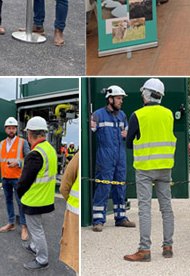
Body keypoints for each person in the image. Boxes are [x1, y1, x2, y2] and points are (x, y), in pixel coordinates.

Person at [124, 78, 177, 262]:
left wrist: (128, 134)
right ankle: (168, 246)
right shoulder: (169, 114)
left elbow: (130, 143)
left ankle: (144, 250)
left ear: (146, 95)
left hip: (145, 168)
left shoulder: (137, 115)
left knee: (144, 209)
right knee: (167, 208)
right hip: (165, 167)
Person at [90, 85, 135, 232]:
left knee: (120, 186)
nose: (121, 101)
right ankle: (98, 220)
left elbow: (127, 132)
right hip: (105, 156)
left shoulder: (122, 115)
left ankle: (121, 218)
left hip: (120, 156)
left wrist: (127, 135)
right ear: (110, 99)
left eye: (121, 98)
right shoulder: (97, 115)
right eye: (118, 98)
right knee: (103, 186)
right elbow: (90, 132)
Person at [16, 117, 56, 271]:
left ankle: (42, 259)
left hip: (34, 199)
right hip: (45, 197)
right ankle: (33, 246)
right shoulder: (49, 149)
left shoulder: (35, 154)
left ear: (30, 134)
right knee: (36, 226)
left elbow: (24, 181)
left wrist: (19, 192)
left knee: (36, 230)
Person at [59, 151, 79, 272]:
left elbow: (64, 187)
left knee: (75, 253)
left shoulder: (78, 156)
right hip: (76, 209)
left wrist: (70, 201)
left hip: (74, 212)